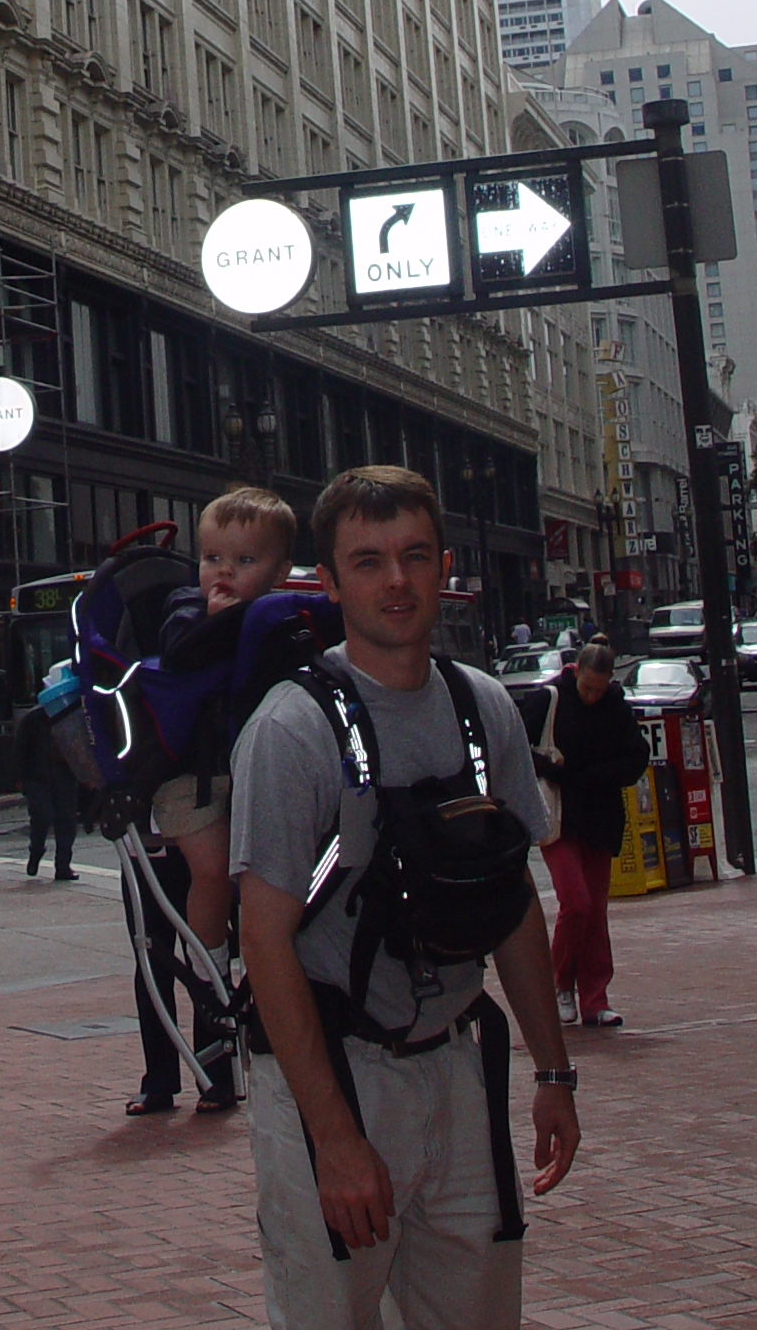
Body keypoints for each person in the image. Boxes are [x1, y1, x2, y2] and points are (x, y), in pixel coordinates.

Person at [233, 467, 579, 1330]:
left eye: (415, 557)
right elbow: (265, 941)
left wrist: (554, 1070)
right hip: (336, 1076)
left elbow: (515, 905)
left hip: (458, 1066)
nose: (396, 581)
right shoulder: (291, 729)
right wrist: (335, 1137)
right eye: (369, 561)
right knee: (330, 1313)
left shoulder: (484, 706)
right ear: (330, 581)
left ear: (445, 567)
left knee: (478, 1309)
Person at [154, 486, 298, 993]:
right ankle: (209, 963)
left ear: (280, 573)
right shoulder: (187, 607)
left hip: (256, 768)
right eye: (212, 558)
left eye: (244, 560)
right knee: (212, 870)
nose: (224, 572)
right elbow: (179, 656)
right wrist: (219, 622)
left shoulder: (282, 618)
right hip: (190, 773)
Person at [515, 637, 649, 1030]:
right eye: (586, 687)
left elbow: (635, 758)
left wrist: (590, 776)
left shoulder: (616, 709)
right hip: (559, 814)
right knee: (576, 903)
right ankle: (560, 985)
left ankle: (595, 998)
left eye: (599, 688)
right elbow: (518, 748)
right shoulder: (551, 699)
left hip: (598, 816)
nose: (591, 695)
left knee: (595, 910)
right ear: (576, 673)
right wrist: (552, 768)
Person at [119, 836, 236, 1116]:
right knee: (150, 967)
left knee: (204, 962)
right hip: (140, 845)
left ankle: (217, 1074)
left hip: (192, 847)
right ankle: (159, 1079)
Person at [15, 677, 80, 880]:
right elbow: (20, 750)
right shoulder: (33, 721)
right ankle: (36, 852)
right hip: (38, 776)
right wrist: (21, 778)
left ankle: (63, 865)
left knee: (67, 820)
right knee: (41, 817)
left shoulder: (70, 717)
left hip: (64, 775)